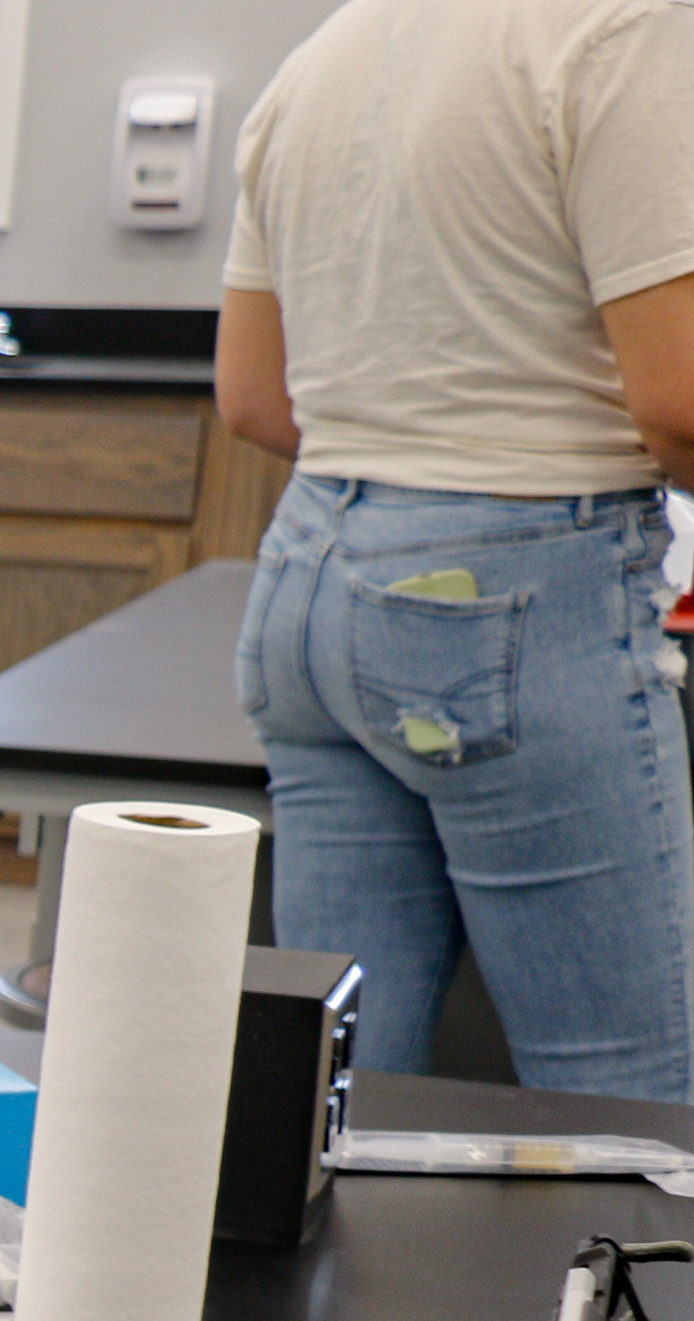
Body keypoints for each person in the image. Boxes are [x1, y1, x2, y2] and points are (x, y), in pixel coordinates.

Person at [218, 0, 694, 1094]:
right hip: (516, 598)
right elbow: (674, 405)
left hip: (308, 586)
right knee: (630, 1112)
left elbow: (249, 395)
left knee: (335, 1102)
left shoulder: (320, 57)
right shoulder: (613, 28)